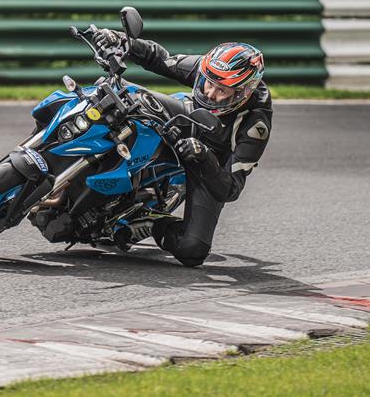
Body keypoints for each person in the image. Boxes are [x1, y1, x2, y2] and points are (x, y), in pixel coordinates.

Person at [93, 29, 272, 267]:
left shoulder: (256, 124)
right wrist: (122, 40)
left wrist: (204, 156)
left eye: (222, 91)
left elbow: (231, 189)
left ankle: (148, 221)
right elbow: (160, 58)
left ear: (244, 92)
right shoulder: (208, 68)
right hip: (188, 120)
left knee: (192, 249)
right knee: (125, 92)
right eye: (209, 83)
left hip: (211, 160)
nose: (209, 93)